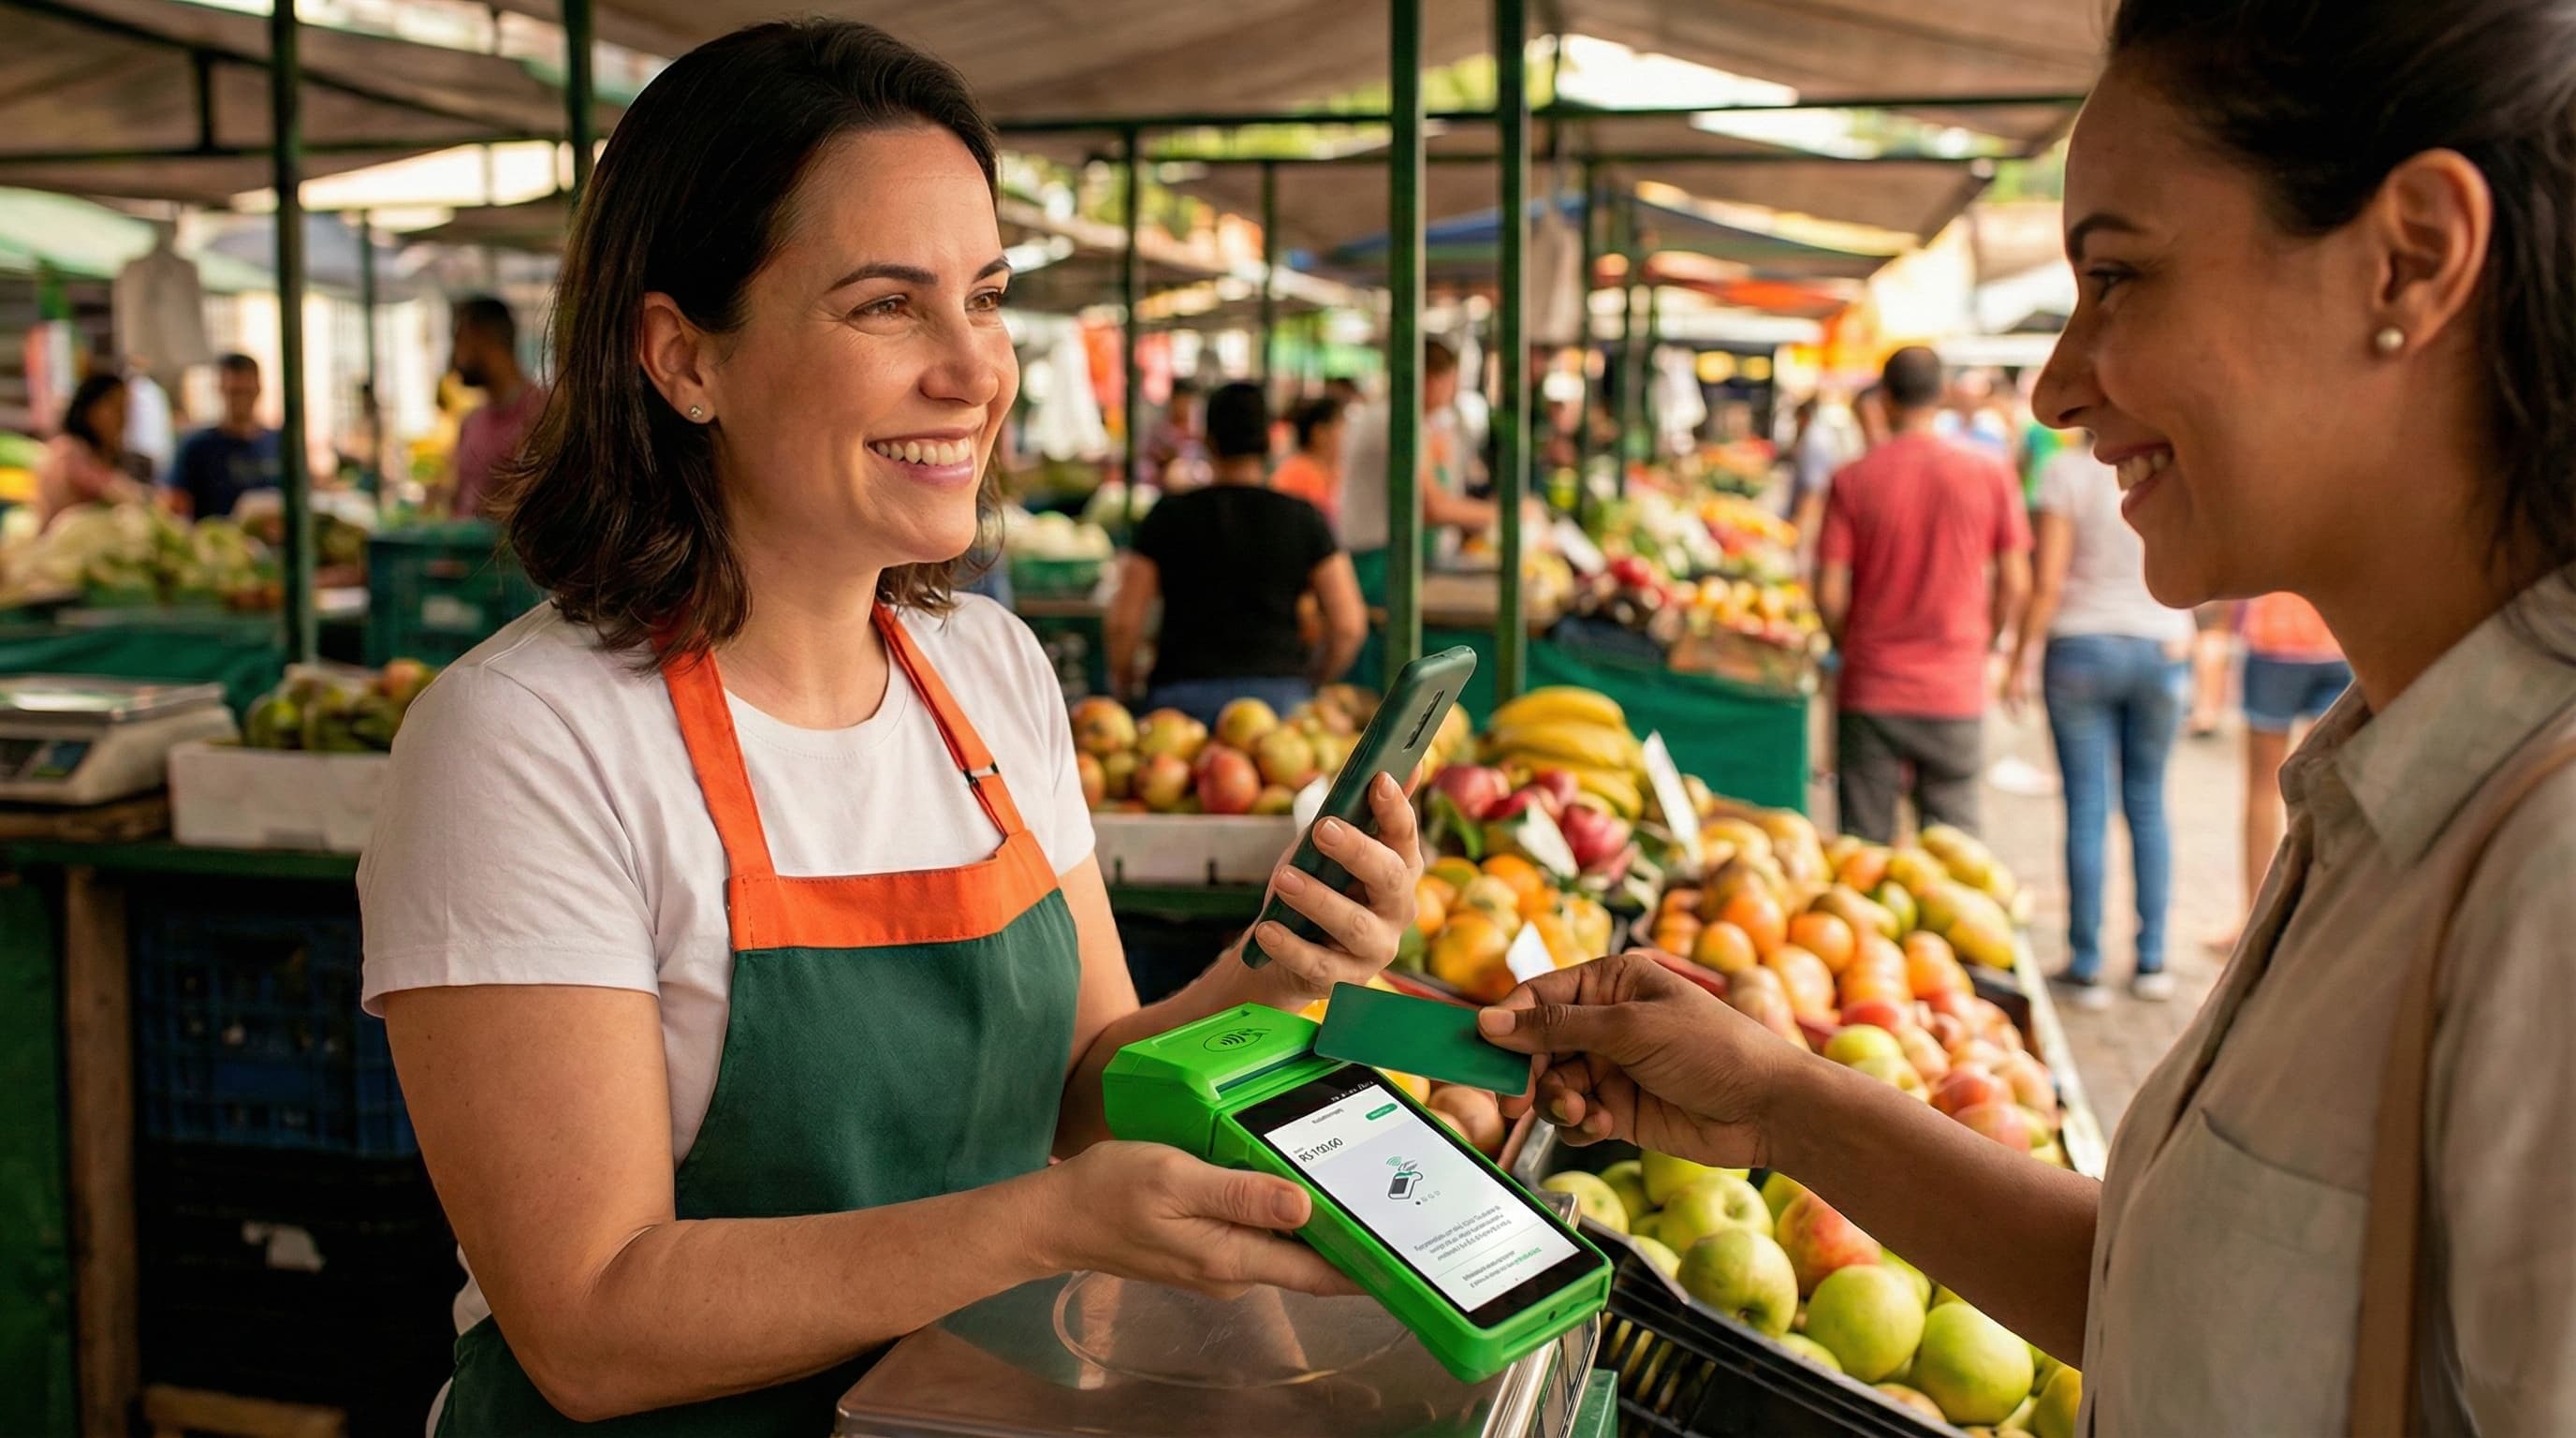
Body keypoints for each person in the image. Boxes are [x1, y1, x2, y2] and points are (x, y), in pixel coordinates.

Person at [1477, 2, 2576, 1430]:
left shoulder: (2547, 874)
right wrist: (1784, 1102)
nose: (2057, 388)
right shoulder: (2385, 798)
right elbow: (2162, 1296)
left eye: (2117, 276)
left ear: (2413, 255)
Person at [359, 24, 1441, 1434]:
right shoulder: (524, 743)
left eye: (984, 297)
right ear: (683, 357)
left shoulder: (989, 670)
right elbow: (588, 1321)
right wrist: (1047, 1226)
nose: (974, 371)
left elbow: (1090, 1091)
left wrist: (1273, 968)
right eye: (886, 306)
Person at [2005, 445, 2194, 1008]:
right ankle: (2151, 960)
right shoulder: (2172, 466)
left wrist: (2020, 657)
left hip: (2081, 647)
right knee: (2148, 803)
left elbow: (2049, 580)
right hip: (2161, 647)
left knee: (2087, 806)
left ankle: (2086, 964)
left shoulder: (2067, 474)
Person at [1819, 345, 2032, 842]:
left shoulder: (1853, 478)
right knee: (1954, 863)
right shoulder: (1989, 471)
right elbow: (2016, 581)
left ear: (1885, 399)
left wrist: (1852, 642)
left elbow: (1828, 591)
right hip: (1953, 688)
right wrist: (1984, 638)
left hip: (1871, 687)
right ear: (1942, 396)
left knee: (1864, 856)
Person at [1106, 382, 1366, 726]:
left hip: (1180, 707)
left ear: (1208, 441)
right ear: (1270, 442)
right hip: (1278, 710)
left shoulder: (1167, 516)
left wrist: (1126, 686)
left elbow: (1125, 624)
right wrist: (1312, 679)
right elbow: (1349, 626)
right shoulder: (1304, 518)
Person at [2225, 591, 2350, 941]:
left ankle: (2254, 920)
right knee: (2326, 790)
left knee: (2263, 787)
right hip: (2339, 637)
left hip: (2276, 640)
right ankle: (2312, 917)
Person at [446, 295, 547, 519]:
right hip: (466, 553)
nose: (454, 358)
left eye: (459, 341)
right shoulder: (471, 422)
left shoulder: (544, 415)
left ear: (482, 337)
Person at [165, 353, 281, 520]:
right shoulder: (198, 447)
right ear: (220, 389)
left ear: (258, 389)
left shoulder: (281, 443)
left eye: (245, 391)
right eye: (234, 392)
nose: (240, 399)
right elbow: (176, 503)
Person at [35, 373, 147, 530]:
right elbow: (109, 488)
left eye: (125, 410)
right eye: (116, 408)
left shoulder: (99, 454)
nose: (123, 419)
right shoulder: (68, 451)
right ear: (90, 409)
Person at [1267, 395, 1345, 526]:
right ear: (1319, 433)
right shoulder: (1297, 473)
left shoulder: (1334, 471)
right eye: (1340, 424)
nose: (1346, 432)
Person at [1136, 377, 1207, 492]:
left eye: (1188, 402)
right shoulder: (1158, 433)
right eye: (1181, 401)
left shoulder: (1200, 433)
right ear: (1173, 400)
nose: (1185, 407)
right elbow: (1143, 466)